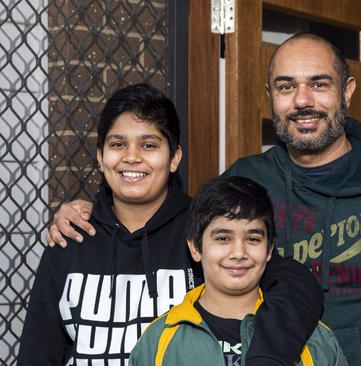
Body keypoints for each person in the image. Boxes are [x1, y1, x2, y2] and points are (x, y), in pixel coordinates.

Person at [49, 33, 361, 366]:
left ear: (346, 91)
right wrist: (98, 213)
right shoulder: (247, 178)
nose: (302, 100)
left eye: (319, 84)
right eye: (285, 86)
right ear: (270, 97)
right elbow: (191, 230)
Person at [20, 83, 322, 365]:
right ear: (100, 157)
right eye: (117, 144)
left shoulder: (206, 232)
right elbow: (39, 351)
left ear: (174, 158)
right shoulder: (71, 237)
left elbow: (295, 284)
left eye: (149, 145)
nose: (132, 157)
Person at [128, 175, 348, 366]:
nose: (238, 252)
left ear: (269, 250)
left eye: (252, 239)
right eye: (223, 238)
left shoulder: (315, 339)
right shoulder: (159, 341)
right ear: (195, 248)